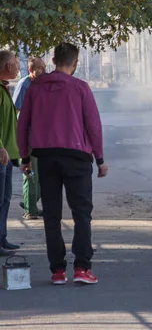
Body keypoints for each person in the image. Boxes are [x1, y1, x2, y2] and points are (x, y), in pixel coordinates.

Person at [17, 42, 108, 285]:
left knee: (51, 216)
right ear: (75, 63)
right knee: (81, 213)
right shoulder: (80, 88)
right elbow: (93, 126)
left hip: (45, 157)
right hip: (77, 157)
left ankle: (57, 271)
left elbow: (22, 123)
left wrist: (25, 158)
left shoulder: (35, 87)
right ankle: (81, 268)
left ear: (54, 59)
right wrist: (99, 159)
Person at [13, 56, 46, 220]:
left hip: (40, 136)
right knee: (30, 173)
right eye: (40, 68)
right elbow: (16, 112)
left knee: (40, 176)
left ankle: (30, 203)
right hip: (27, 137)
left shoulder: (40, 84)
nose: (44, 70)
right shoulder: (24, 84)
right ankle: (30, 210)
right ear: (32, 70)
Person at [0, 51, 21, 256]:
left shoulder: (4, 88)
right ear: (7, 67)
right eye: (16, 64)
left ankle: (2, 238)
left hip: (6, 155)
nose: (18, 68)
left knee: (5, 199)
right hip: (1, 153)